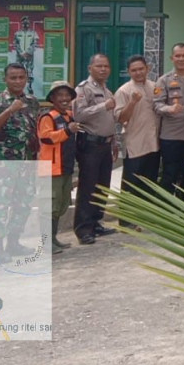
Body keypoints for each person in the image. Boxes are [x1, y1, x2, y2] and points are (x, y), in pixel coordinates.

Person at [0, 63, 40, 261]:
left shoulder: (32, 102)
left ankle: (13, 242)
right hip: (4, 163)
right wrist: (9, 110)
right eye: (13, 78)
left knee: (23, 203)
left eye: (21, 77)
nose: (17, 81)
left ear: (26, 79)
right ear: (5, 79)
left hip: (26, 162)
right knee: (1, 204)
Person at [73, 54, 118, 245]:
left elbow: (110, 119)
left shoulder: (107, 90)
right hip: (90, 144)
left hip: (105, 144)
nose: (103, 69)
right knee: (88, 187)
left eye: (106, 66)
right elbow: (79, 114)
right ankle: (83, 228)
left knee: (102, 185)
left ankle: (96, 221)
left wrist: (114, 141)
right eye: (99, 66)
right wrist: (102, 106)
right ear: (90, 68)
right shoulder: (83, 89)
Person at [115, 55, 160, 229]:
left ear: (147, 68)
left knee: (149, 182)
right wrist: (133, 102)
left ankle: (145, 218)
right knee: (130, 183)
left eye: (141, 69)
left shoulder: (155, 87)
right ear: (129, 72)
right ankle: (126, 220)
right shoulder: (124, 91)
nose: (138, 72)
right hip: (135, 143)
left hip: (153, 143)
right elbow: (121, 118)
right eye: (134, 70)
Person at [154, 43, 184, 197]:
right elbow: (156, 105)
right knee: (170, 174)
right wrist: (169, 109)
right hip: (171, 137)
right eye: (178, 56)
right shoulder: (163, 81)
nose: (181, 59)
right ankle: (166, 209)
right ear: (172, 58)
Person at [38, 81, 80, 254]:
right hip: (51, 169)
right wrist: (68, 131)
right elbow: (46, 138)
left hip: (65, 168)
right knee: (50, 206)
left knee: (61, 206)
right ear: (52, 98)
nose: (64, 99)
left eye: (67, 95)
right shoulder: (48, 117)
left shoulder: (70, 116)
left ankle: (54, 238)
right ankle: (47, 243)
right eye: (60, 95)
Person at [12, 16, 40, 94]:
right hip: (19, 55)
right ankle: (18, 89)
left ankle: (29, 86)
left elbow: (35, 43)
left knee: (29, 71)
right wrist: (21, 53)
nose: (25, 25)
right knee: (17, 71)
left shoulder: (33, 33)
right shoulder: (17, 33)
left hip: (29, 55)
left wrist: (28, 52)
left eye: (27, 23)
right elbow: (15, 44)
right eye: (24, 23)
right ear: (21, 24)